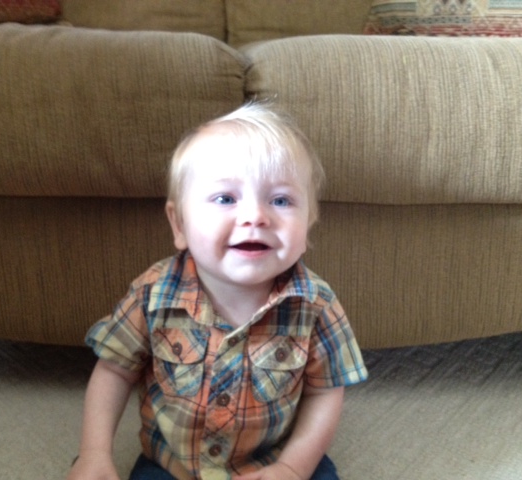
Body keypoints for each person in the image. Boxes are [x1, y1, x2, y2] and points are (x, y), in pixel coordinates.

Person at [67, 103, 368, 480]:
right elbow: (114, 371)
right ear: (179, 224)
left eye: (280, 200)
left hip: (274, 458)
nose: (255, 216)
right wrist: (94, 454)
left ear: (308, 226)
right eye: (226, 198)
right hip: (173, 464)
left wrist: (293, 467)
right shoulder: (153, 294)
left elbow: (325, 392)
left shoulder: (316, 304)